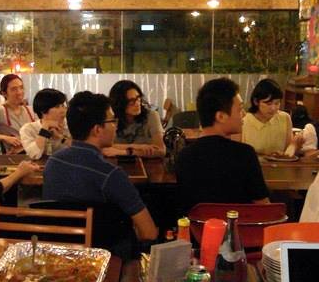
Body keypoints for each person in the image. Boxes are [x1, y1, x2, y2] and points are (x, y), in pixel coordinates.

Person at [43, 91, 158, 251]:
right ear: (97, 129)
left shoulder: (52, 162)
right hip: (106, 257)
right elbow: (149, 233)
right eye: (112, 120)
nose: (116, 125)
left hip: (60, 253)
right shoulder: (111, 174)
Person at [175, 78, 269, 214]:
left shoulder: (184, 156)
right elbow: (263, 207)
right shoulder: (245, 154)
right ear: (220, 116)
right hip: (238, 226)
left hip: (199, 227)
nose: (244, 114)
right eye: (240, 109)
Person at [241, 78, 299, 155]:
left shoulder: (285, 118)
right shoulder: (244, 122)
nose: (273, 108)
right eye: (268, 104)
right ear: (256, 101)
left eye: (277, 103)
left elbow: (288, 152)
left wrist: (293, 146)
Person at [108, 80, 165, 157]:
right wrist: (139, 147)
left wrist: (125, 152)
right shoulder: (111, 119)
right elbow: (103, 148)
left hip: (147, 163)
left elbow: (161, 150)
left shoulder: (151, 116)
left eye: (138, 98)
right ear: (119, 103)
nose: (137, 103)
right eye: (132, 101)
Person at [19, 88, 71, 160]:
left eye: (63, 106)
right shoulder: (28, 129)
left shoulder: (70, 126)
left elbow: (81, 150)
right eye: (57, 106)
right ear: (43, 110)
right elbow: (34, 155)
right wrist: (44, 129)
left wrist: (61, 137)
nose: (63, 110)